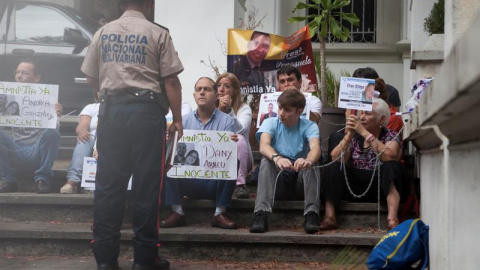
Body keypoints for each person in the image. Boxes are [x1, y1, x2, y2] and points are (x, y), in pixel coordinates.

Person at [80, 0, 183, 269]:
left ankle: (105, 260)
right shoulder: (158, 33)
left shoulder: (102, 33)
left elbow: (91, 77)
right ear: (149, 4)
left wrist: (105, 94)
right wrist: (178, 120)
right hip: (147, 115)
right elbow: (171, 80)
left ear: (120, 4)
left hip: (112, 114)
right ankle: (145, 259)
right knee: (147, 188)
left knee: (108, 187)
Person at [160, 77, 238, 230]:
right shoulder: (181, 122)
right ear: (194, 95)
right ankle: (177, 211)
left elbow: (227, 154)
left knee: (235, 161)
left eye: (207, 89)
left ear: (216, 96)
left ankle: (219, 212)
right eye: (198, 89)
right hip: (187, 182)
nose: (202, 92)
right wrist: (169, 139)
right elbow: (175, 152)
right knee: (166, 161)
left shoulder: (227, 122)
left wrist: (232, 144)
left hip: (213, 184)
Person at [320, 98, 403, 231]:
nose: (362, 118)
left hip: (379, 187)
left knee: (391, 166)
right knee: (333, 166)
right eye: (361, 113)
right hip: (354, 187)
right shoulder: (354, 136)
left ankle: (392, 218)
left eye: (368, 114)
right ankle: (330, 217)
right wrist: (348, 135)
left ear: (381, 120)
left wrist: (365, 133)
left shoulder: (390, 135)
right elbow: (336, 157)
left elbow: (389, 155)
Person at [249, 89, 321, 234]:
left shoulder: (309, 126)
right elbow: (264, 145)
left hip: (300, 180)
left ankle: (311, 214)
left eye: (287, 110)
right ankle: (261, 213)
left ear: (299, 111)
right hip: (278, 180)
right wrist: (277, 158)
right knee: (267, 160)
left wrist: (308, 160)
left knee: (313, 164)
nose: (281, 113)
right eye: (280, 107)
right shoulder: (270, 122)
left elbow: (315, 148)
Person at [0, 59, 62, 194]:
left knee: (53, 132)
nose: (19, 76)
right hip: (16, 150)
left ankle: (43, 178)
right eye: (17, 72)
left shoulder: (47, 98)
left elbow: (53, 131)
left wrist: (55, 115)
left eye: (24, 73)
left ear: (37, 78)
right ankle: (8, 180)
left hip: (37, 151)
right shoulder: (9, 97)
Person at [216, 72, 253, 199]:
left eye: (227, 86)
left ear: (235, 90)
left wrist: (229, 112)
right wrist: (219, 111)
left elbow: (241, 130)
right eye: (219, 85)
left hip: (240, 158)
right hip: (215, 157)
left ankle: (240, 184)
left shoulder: (244, 109)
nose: (221, 89)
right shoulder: (210, 108)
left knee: (239, 139)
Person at [60, 102, 100, 194]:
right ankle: (72, 181)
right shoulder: (91, 107)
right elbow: (82, 126)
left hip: (111, 140)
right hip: (92, 139)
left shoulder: (121, 107)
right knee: (84, 140)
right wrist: (82, 131)